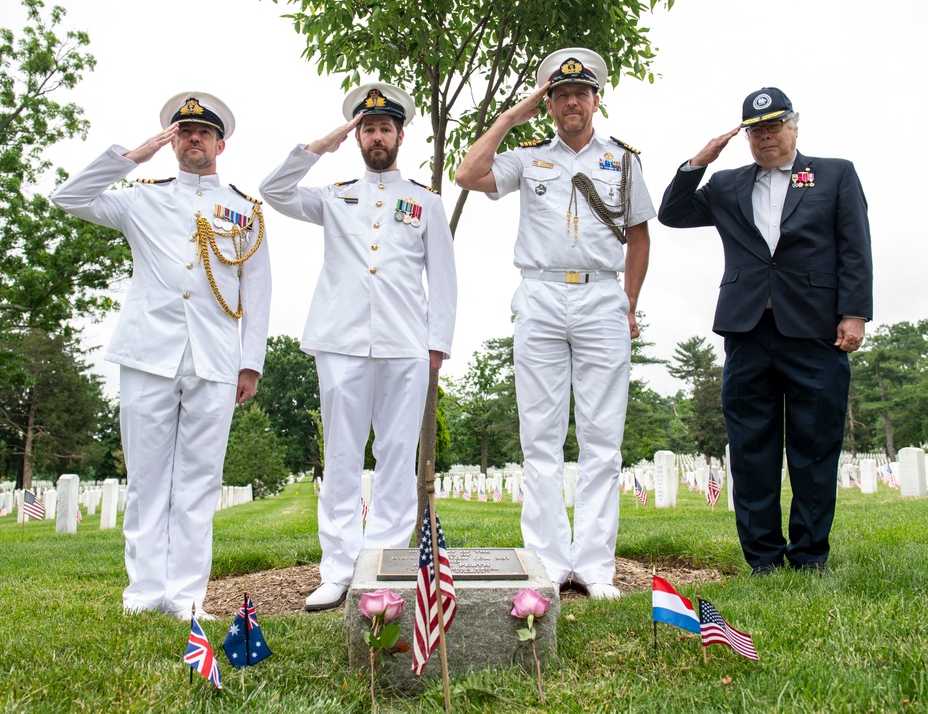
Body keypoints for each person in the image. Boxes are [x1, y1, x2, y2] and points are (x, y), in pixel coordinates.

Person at [51, 92, 272, 617]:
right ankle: (144, 593)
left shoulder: (245, 211)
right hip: (149, 353)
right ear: (172, 140)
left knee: (198, 481)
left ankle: (187, 596)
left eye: (202, 131)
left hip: (215, 358)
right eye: (182, 130)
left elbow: (258, 290)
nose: (192, 138)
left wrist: (251, 362)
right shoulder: (141, 197)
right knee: (148, 479)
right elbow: (68, 197)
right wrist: (131, 156)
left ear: (221, 142)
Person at [455, 48, 655, 600]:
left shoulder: (623, 160)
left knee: (602, 437)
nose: (571, 102)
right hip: (540, 295)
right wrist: (507, 119)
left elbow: (639, 235)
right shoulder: (526, 157)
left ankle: (593, 567)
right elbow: (468, 173)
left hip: (601, 297)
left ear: (596, 100)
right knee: (539, 436)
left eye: (580, 93)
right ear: (548, 104)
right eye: (560, 94)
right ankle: (546, 562)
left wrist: (630, 303)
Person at [657, 87, 872, 576]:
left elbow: (855, 246)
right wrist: (699, 161)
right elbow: (672, 213)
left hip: (817, 331)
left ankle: (810, 555)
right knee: (751, 448)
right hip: (748, 330)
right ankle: (763, 559)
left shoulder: (835, 174)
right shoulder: (728, 184)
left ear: (794, 126)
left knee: (814, 445)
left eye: (774, 126)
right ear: (745, 136)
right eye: (755, 130)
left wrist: (854, 312)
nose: (766, 137)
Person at [259, 82, 457, 611]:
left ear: (399, 135)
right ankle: (339, 567)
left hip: (405, 342)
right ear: (357, 137)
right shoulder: (333, 195)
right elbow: (275, 191)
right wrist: (319, 146)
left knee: (397, 455)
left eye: (384, 128)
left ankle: (386, 564)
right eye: (367, 128)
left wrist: (437, 343)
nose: (376, 136)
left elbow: (443, 278)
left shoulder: (425, 202)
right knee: (342, 455)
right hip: (341, 342)